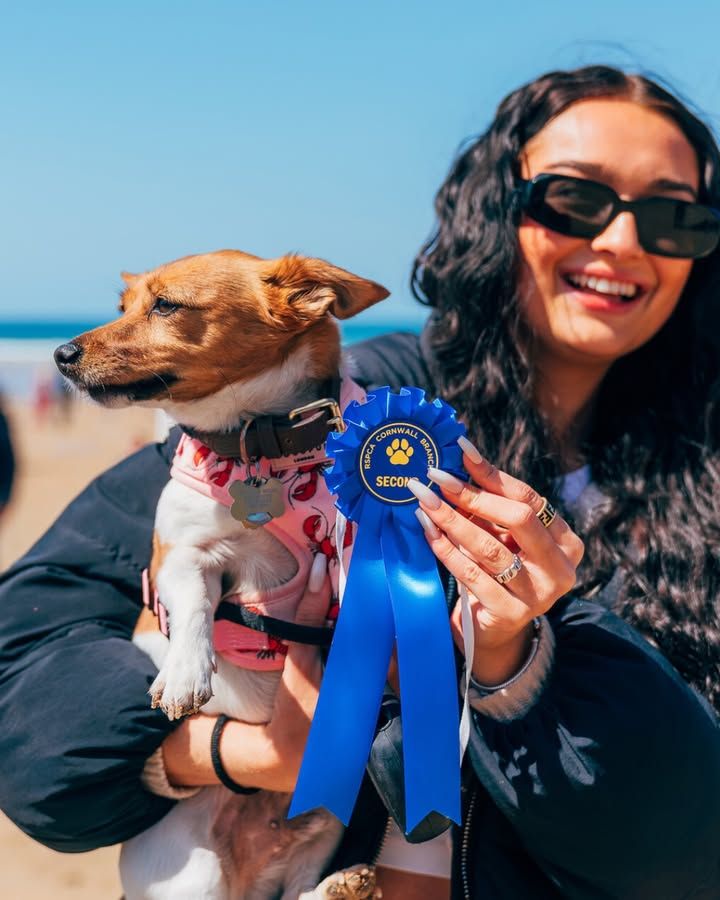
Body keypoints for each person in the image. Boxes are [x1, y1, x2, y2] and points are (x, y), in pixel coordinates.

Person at [0, 64, 719, 899]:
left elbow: (688, 847)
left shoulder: (702, 464)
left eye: (676, 217)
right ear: (494, 211)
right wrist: (236, 753)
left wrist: (520, 661)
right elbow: (26, 674)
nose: (624, 243)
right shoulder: (308, 415)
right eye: (576, 201)